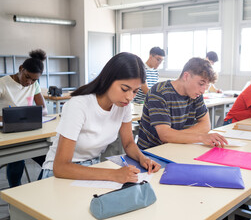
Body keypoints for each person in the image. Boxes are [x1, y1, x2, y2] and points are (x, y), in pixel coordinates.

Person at [41, 52, 160, 182]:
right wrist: (114, 175)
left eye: (135, 91)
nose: (129, 97)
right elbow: (61, 167)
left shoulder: (123, 106)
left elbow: (128, 143)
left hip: (93, 169)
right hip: (59, 175)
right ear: (109, 79)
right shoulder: (79, 105)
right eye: (125, 89)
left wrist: (143, 158)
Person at [137, 57, 228, 150]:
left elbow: (205, 125)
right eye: (201, 84)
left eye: (207, 86)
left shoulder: (195, 94)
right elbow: (165, 135)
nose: (203, 90)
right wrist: (200, 137)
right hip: (152, 152)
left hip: (179, 147)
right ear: (186, 76)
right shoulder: (159, 92)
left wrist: (177, 136)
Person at [0, 49, 48, 187]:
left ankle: (35, 190)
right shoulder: (3, 83)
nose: (29, 82)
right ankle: (15, 193)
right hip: (8, 133)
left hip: (29, 132)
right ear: (21, 69)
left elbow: (44, 109)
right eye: (27, 77)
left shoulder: (34, 85)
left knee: (49, 161)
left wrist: (28, 114)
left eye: (34, 80)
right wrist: (8, 117)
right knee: (17, 160)